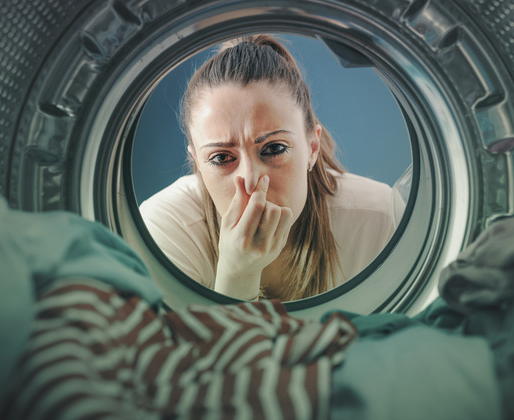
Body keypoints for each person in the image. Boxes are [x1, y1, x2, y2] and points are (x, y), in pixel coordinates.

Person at [139, 35, 399, 301]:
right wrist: (236, 274)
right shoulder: (163, 231)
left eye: (274, 149)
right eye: (221, 158)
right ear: (197, 164)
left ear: (312, 148)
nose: (251, 181)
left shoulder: (381, 219)